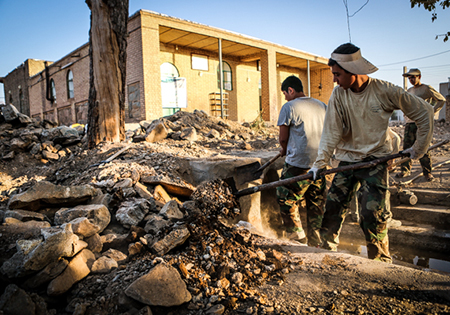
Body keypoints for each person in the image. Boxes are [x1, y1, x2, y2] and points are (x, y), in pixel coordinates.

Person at [308, 43, 434, 262]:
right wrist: (320, 163)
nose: (335, 80)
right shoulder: (338, 95)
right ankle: (326, 255)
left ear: (353, 71)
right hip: (348, 159)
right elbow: (331, 132)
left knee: (372, 214)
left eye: (337, 74)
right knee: (333, 208)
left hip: (376, 159)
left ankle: (380, 262)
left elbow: (426, 113)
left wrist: (417, 150)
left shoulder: (385, 90)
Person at [276, 75, 327, 247]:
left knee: (285, 197)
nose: (285, 97)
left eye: (285, 93)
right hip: (320, 164)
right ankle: (316, 241)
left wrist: (284, 149)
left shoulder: (289, 106)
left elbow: (283, 138)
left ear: (290, 90)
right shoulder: (321, 105)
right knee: (316, 203)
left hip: (299, 164)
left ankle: (298, 238)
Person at [397, 68, 446, 181]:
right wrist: (405, 113)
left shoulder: (426, 88)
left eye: (413, 77)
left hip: (422, 123)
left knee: (423, 147)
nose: (411, 80)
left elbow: (441, 100)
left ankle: (427, 172)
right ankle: (405, 170)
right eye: (409, 78)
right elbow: (406, 104)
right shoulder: (409, 90)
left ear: (419, 77)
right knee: (406, 148)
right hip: (410, 123)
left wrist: (432, 111)